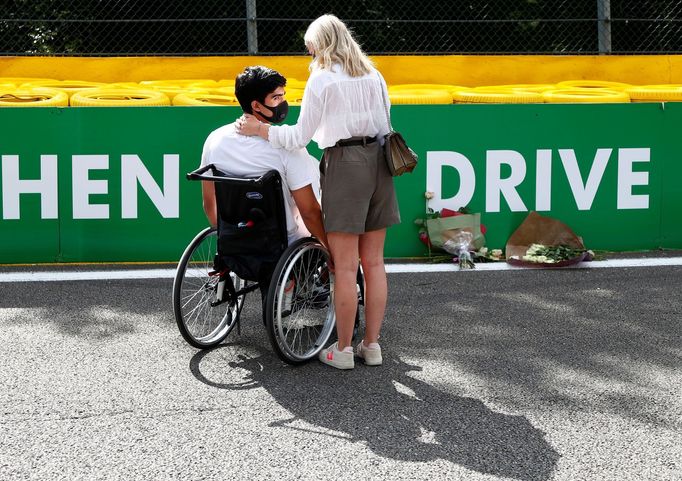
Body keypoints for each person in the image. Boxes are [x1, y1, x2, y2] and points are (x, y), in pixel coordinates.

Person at [236, 14, 400, 370]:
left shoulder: (322, 79)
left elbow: (298, 137)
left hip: (345, 163)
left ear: (320, 45)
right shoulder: (374, 75)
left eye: (310, 46)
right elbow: (386, 124)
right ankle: (371, 345)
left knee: (344, 265)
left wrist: (260, 131)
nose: (308, 52)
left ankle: (341, 350)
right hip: (380, 164)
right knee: (373, 262)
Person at [200, 65, 328, 306]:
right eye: (276, 98)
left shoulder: (214, 140)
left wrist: (229, 234)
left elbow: (209, 203)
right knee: (323, 216)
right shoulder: (288, 149)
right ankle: (301, 281)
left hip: (233, 239)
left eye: (283, 96)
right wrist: (330, 248)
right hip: (282, 244)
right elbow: (310, 212)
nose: (283, 103)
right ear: (256, 105)